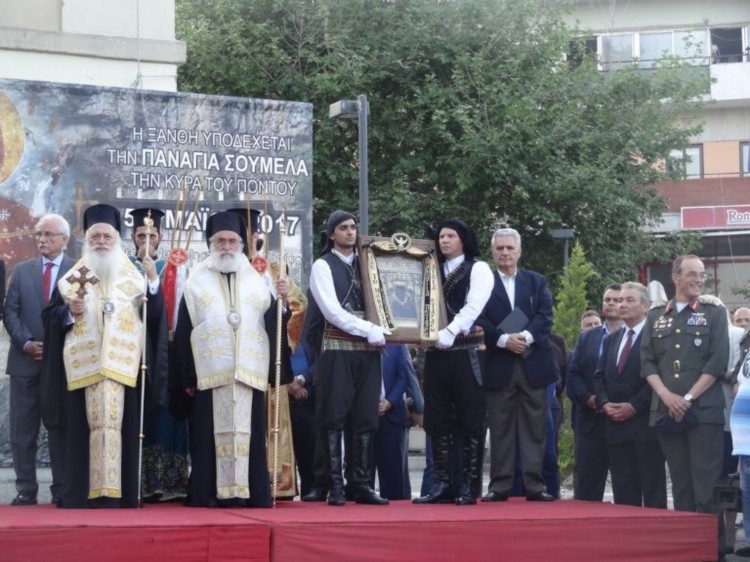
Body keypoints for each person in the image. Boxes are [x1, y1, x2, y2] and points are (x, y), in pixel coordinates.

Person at [42, 203, 167, 508]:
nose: (101, 242)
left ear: (117, 239)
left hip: (123, 368)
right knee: (81, 430)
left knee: (123, 429)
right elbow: (49, 317)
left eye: (107, 236)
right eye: (95, 236)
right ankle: (81, 495)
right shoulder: (72, 277)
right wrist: (67, 312)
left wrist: (153, 281)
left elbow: (154, 319)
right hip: (83, 369)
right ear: (86, 239)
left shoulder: (134, 277)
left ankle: (121, 495)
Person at [171, 210, 290, 507]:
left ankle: (251, 493)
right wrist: (187, 377)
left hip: (248, 373)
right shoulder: (196, 282)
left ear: (241, 244)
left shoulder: (258, 280)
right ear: (211, 244)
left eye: (232, 241)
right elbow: (184, 331)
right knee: (207, 436)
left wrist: (283, 302)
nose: (226, 247)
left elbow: (273, 324)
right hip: (210, 375)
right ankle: (208, 494)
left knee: (251, 436)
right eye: (220, 241)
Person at [642, 254, 729, 560]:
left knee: (706, 486)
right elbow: (647, 362)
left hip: (703, 412)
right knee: (680, 485)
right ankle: (686, 549)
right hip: (667, 411)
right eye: (692, 274)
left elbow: (717, 362)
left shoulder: (713, 312)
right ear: (675, 277)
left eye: (702, 275)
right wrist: (667, 397)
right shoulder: (656, 316)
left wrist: (688, 398)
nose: (699, 280)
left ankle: (711, 550)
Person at [301, 210, 389, 506]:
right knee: (333, 416)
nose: (350, 232)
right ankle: (333, 485)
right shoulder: (323, 265)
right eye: (343, 228)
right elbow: (332, 311)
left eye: (353, 227)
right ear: (331, 234)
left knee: (366, 417)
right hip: (337, 347)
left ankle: (360, 484)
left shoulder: (369, 264)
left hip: (368, 350)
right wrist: (368, 329)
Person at [413, 218, 492, 506]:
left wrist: (450, 331)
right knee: (437, 420)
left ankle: (469, 486)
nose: (444, 240)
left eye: (450, 236)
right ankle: (443, 484)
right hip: (436, 354)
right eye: (441, 236)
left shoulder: (478, 269)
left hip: (466, 353)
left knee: (470, 420)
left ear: (463, 239)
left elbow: (474, 306)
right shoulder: (429, 268)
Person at [477, 227, 558, 503]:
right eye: (499, 248)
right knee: (500, 428)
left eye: (509, 248)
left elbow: (545, 316)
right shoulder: (484, 283)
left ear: (519, 252)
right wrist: (503, 340)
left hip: (532, 363)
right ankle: (500, 485)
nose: (505, 253)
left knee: (535, 428)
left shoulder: (536, 281)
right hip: (498, 364)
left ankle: (534, 485)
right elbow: (478, 317)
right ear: (492, 252)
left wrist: (523, 338)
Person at [4, 214, 75, 505]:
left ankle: (62, 488)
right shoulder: (22, 271)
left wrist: (56, 346)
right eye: (38, 234)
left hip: (62, 365)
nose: (42, 239)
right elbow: (10, 311)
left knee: (60, 428)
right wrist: (25, 343)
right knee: (23, 430)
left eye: (48, 234)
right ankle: (26, 488)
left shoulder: (78, 271)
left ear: (65, 240)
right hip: (25, 362)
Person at [128, 207, 187, 502]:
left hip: (166, 350)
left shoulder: (172, 267)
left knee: (167, 415)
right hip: (132, 349)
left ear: (161, 238)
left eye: (152, 236)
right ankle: (140, 481)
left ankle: (171, 481)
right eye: (141, 235)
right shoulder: (124, 266)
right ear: (133, 237)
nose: (146, 241)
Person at [593, 282, 666, 508]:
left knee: (653, 490)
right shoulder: (612, 339)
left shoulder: (656, 337)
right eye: (620, 300)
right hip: (615, 427)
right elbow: (599, 376)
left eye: (629, 300)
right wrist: (604, 403)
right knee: (623, 491)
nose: (621, 305)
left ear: (645, 306)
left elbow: (659, 378)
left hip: (645, 427)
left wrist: (634, 406)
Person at [567, 284, 622, 501]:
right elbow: (573, 374)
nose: (611, 303)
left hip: (624, 420)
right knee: (587, 488)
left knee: (626, 486)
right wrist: (589, 399)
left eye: (616, 300)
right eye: (607, 300)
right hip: (591, 421)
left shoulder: (637, 337)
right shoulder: (587, 337)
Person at [373, 343, 411, 500]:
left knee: (392, 472)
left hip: (391, 415)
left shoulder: (397, 344)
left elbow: (404, 376)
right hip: (365, 415)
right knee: (363, 470)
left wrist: (390, 402)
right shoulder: (359, 339)